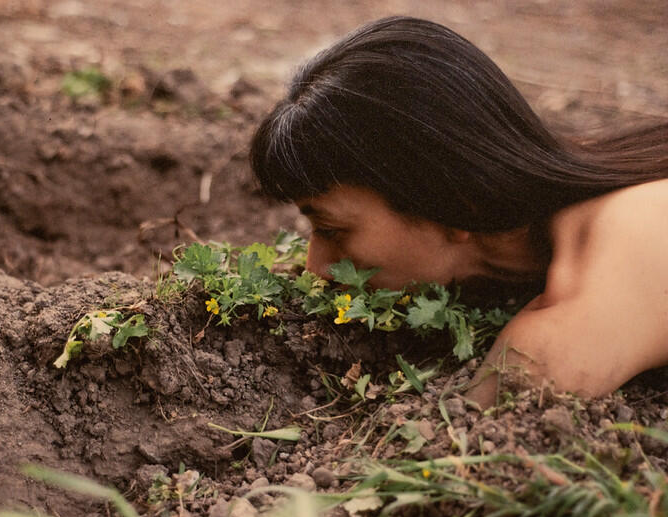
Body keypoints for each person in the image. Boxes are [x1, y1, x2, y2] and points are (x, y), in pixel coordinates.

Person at [249, 16, 668, 407]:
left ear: (452, 203)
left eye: (332, 228)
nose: (314, 266)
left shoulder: (627, 241)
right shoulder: (582, 181)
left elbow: (480, 431)